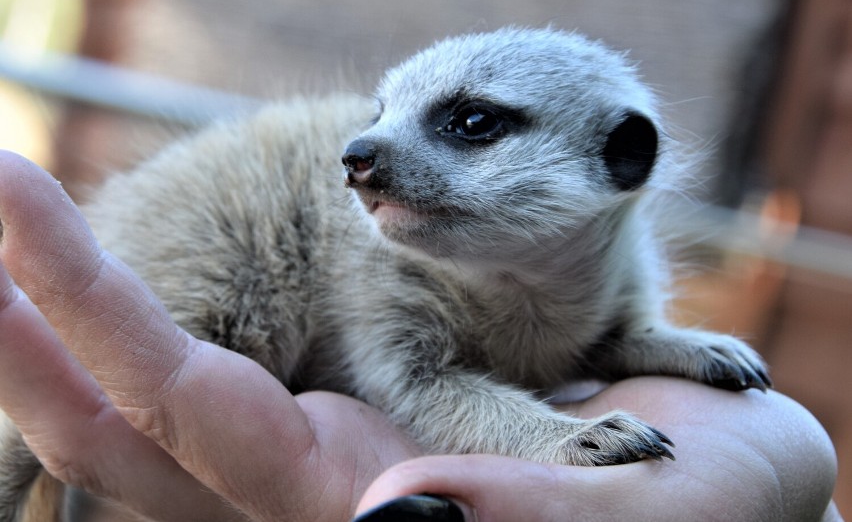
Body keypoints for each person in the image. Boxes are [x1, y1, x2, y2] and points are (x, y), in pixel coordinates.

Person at [0, 150, 840, 521]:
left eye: (472, 125)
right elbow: (423, 382)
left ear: (617, 161)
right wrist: (554, 434)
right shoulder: (389, 251)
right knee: (54, 420)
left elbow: (592, 343)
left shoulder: (619, 282)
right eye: (382, 115)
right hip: (238, 246)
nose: (362, 157)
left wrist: (640, 353)